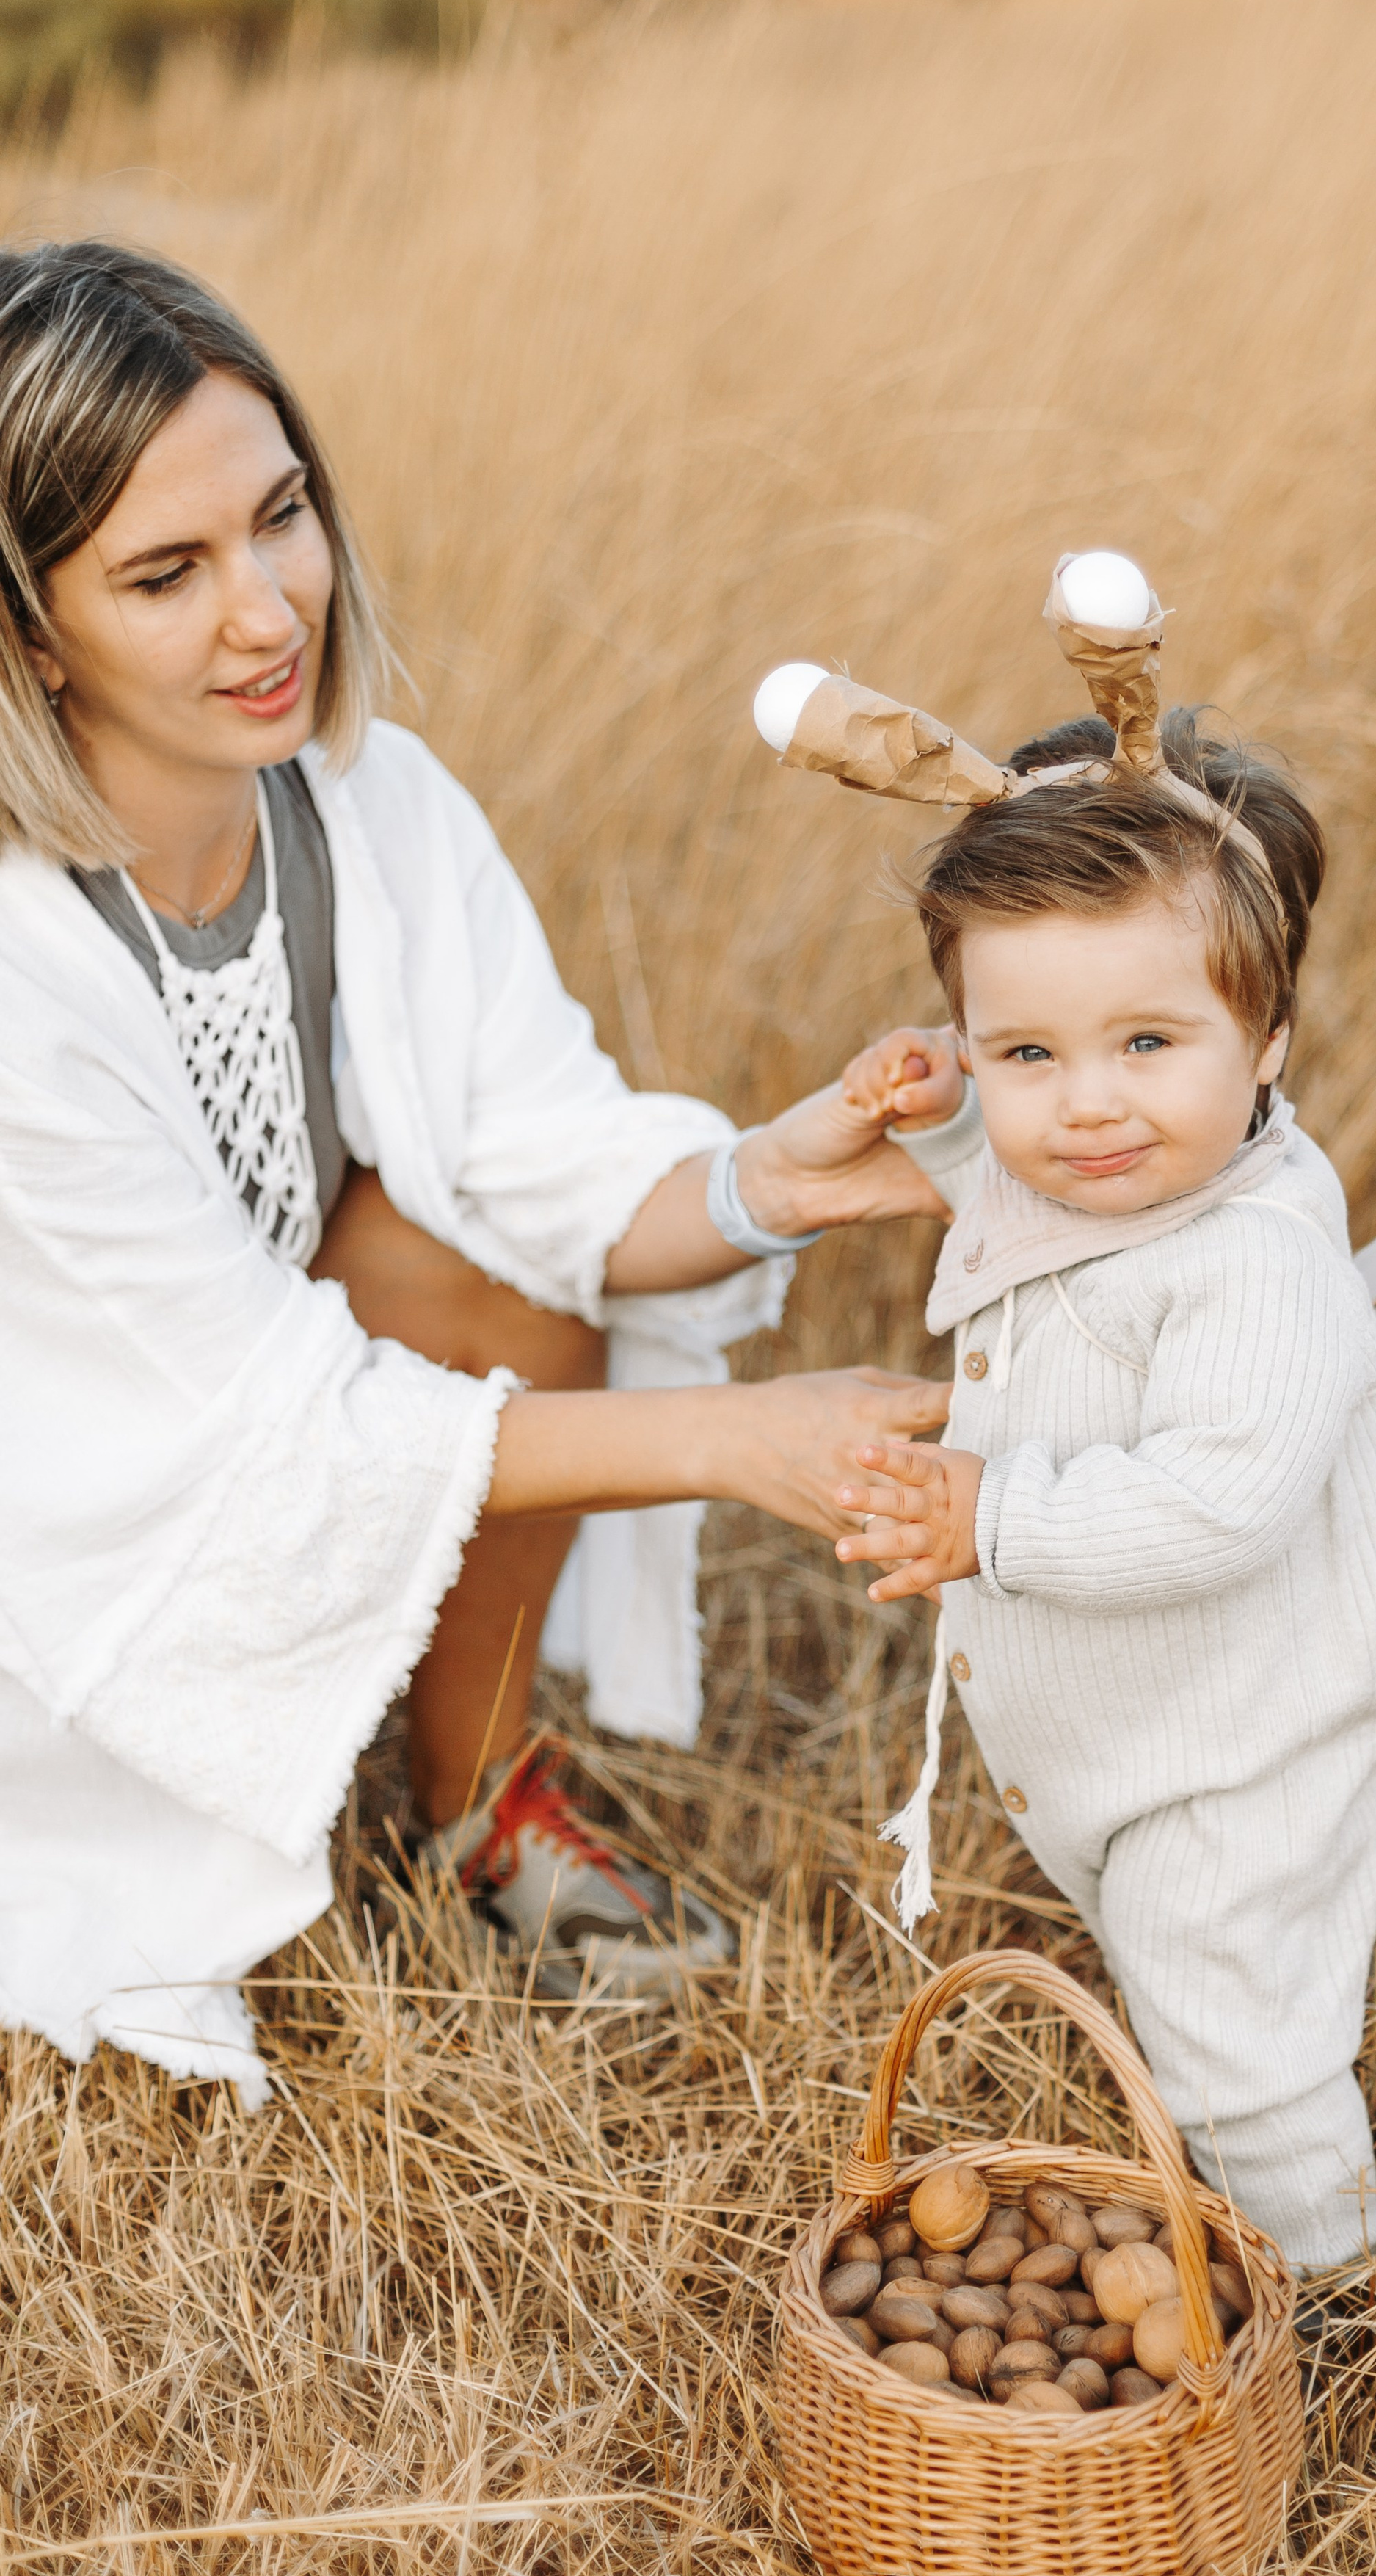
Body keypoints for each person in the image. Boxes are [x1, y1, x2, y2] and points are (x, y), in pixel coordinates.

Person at [0, 239, 953, 2104]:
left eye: (281, 519)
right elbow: (260, 1415)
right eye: (165, 574)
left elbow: (534, 1164)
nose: (270, 611)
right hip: (54, 1502)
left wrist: (780, 1178)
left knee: (485, 1253)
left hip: (241, 1403)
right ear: (31, 630)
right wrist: (744, 1441)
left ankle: (477, 1801)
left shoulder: (364, 805)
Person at [831, 710, 1376, 2280]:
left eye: (1147, 1044)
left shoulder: (1252, 1260)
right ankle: (1249, 2251)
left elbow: (1222, 1500)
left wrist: (985, 1520)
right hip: (1134, 1748)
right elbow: (1030, 1209)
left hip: (1231, 1772)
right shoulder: (1121, 1170)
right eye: (1023, 1054)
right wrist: (948, 1127)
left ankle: (1325, 2304)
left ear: (1267, 1033)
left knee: (1245, 2066)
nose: (1082, 1107)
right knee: (1180, 2006)